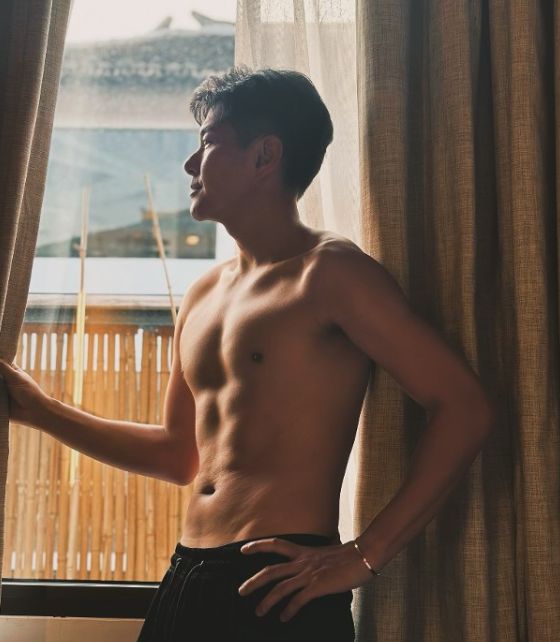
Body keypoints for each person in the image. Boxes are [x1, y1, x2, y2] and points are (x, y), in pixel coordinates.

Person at [0, 66, 496, 642]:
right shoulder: (203, 293)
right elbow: (177, 455)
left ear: (265, 156)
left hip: (280, 584)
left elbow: (465, 408)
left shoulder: (331, 273)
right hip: (186, 574)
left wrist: (365, 555)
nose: (190, 165)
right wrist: (39, 411)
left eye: (208, 143)